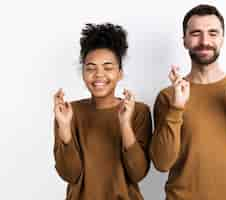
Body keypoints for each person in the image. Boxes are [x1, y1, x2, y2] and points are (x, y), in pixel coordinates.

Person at [149, 4, 226, 200]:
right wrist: (176, 108)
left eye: (213, 33)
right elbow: (162, 163)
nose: (204, 41)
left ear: (222, 39)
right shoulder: (168, 97)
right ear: (185, 40)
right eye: (196, 33)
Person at [53, 23, 152, 200]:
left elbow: (138, 173)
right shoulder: (68, 113)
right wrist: (65, 128)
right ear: (83, 72)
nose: (99, 74)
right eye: (91, 68)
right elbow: (70, 175)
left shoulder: (138, 111)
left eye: (108, 67)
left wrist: (124, 124)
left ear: (120, 73)